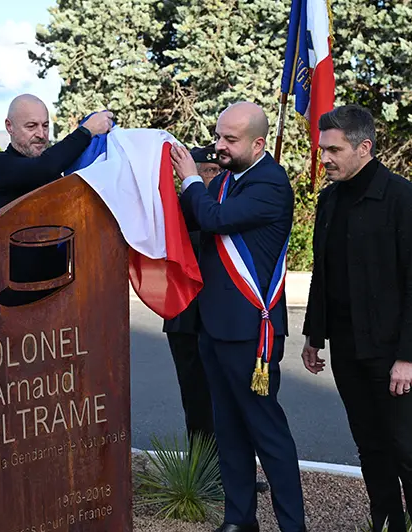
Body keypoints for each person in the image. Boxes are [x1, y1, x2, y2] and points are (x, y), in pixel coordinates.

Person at [301, 104, 412, 532]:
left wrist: (408, 357)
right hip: (348, 349)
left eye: (333, 149)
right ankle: (388, 526)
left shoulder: (404, 198)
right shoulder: (328, 200)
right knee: (370, 449)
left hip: (393, 352)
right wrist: (314, 335)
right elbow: (322, 273)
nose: (323, 157)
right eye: (321, 148)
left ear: (364, 148)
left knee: (408, 450)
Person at [171, 102, 305, 532]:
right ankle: (239, 521)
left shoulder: (269, 184)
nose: (220, 146)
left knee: (268, 436)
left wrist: (191, 177)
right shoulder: (229, 179)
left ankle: (292, 526)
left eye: (230, 140)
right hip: (215, 327)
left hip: (251, 332)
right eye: (219, 136)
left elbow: (211, 218)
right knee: (228, 431)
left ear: (258, 143)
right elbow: (190, 214)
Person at [0, 93, 114, 219]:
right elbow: (43, 167)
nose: (41, 135)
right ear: (9, 126)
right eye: (31, 126)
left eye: (45, 126)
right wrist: (86, 131)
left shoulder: (52, 176)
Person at [163, 144, 220, 443]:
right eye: (208, 171)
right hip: (186, 318)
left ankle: (232, 474)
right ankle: (202, 476)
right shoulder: (176, 207)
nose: (215, 177)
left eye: (219, 171)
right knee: (197, 400)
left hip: (221, 318)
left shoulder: (225, 208)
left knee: (227, 401)